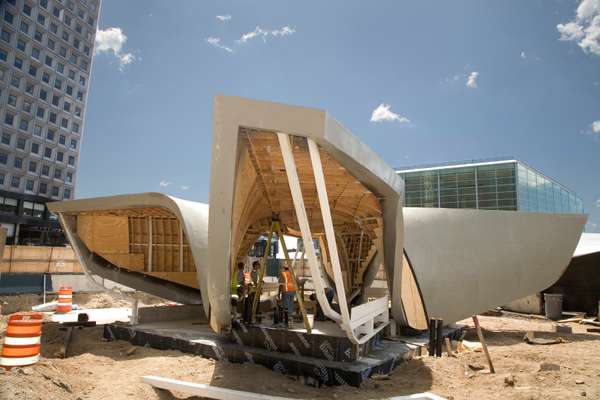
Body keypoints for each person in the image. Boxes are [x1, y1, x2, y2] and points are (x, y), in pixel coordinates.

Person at [279, 262, 296, 328]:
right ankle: (290, 322)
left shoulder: (283, 274)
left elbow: (280, 284)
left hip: (286, 291)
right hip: (292, 291)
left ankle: (286, 322)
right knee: (290, 306)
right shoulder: (292, 274)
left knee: (286, 306)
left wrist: (279, 293)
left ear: (284, 268)